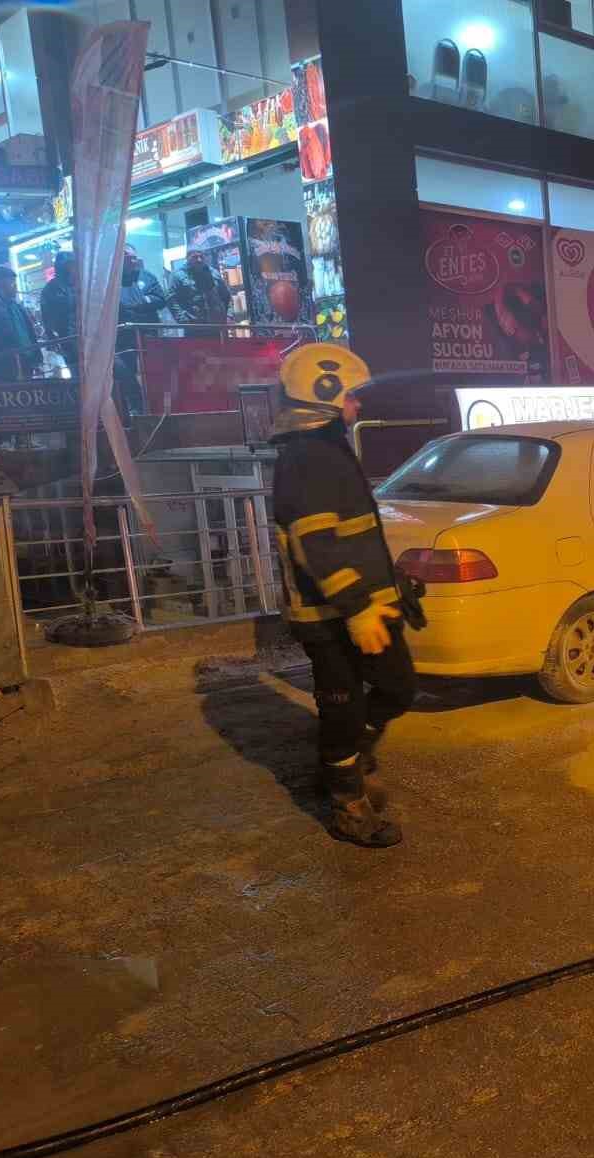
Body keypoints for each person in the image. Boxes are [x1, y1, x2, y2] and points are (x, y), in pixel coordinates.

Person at [270, 344, 424, 849]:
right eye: (352, 397)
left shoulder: (326, 452)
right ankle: (347, 804)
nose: (358, 406)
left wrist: (391, 590)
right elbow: (315, 546)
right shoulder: (307, 458)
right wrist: (357, 607)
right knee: (341, 707)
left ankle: (350, 758)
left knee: (397, 687)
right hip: (329, 615)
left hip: (364, 606)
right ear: (327, 401)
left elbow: (352, 537)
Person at [116, 248, 168, 417]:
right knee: (127, 376)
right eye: (128, 258)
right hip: (124, 338)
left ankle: (160, 408)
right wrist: (135, 304)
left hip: (149, 334)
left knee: (155, 372)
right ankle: (137, 412)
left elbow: (161, 299)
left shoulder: (146, 276)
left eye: (133, 258)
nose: (133, 261)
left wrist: (142, 302)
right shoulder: (111, 280)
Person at [167, 251, 232, 326]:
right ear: (187, 258)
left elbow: (226, 296)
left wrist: (229, 316)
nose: (199, 260)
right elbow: (171, 300)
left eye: (201, 256)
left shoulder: (213, 272)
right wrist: (183, 319)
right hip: (193, 325)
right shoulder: (177, 275)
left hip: (216, 324)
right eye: (195, 257)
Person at [39, 252, 78, 373]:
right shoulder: (51, 289)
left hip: (88, 336)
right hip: (69, 339)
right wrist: (52, 338)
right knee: (78, 373)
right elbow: (47, 317)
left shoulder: (79, 284)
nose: (74, 268)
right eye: (71, 265)